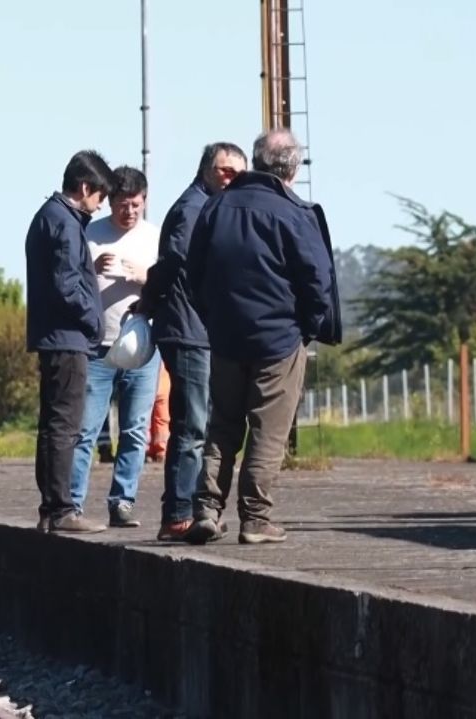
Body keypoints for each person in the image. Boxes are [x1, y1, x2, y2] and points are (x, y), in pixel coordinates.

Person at [184, 129, 341, 545]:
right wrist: (304, 330)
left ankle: (206, 509)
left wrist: (214, 319)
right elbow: (318, 281)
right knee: (268, 431)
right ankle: (255, 518)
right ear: (292, 167)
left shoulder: (215, 207)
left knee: (222, 426)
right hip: (279, 340)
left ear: (256, 162)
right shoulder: (295, 213)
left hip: (226, 337)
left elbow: (193, 273)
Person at [136, 142, 248, 541]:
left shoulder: (210, 207)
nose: (232, 178)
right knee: (192, 425)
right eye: (225, 170)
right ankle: (179, 514)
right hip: (188, 328)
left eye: (239, 172)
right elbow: (176, 264)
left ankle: (192, 509)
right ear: (206, 170)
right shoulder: (194, 209)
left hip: (198, 327)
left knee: (199, 421)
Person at [25, 149, 115, 534]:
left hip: (53, 335)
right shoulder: (64, 221)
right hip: (66, 338)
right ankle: (61, 508)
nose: (98, 207)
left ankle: (52, 508)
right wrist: (93, 318)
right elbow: (66, 284)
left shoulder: (49, 216)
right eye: (99, 197)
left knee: (52, 424)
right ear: (84, 187)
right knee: (65, 424)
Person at [69, 166, 161, 528]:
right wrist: (91, 268)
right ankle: (73, 503)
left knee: (136, 430)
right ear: (110, 202)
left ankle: (122, 501)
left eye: (136, 205)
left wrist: (144, 278)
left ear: (145, 201)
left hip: (141, 349)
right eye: (123, 205)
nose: (130, 212)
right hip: (97, 348)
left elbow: (170, 286)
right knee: (85, 430)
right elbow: (70, 281)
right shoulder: (90, 234)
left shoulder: (155, 238)